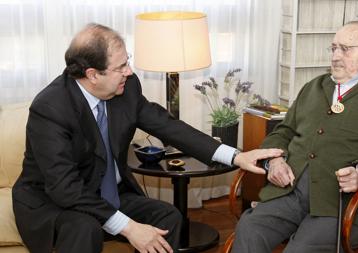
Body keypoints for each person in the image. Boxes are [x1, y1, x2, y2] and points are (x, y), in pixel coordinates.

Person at [12, 23, 283, 253]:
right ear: (92, 75)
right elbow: (65, 189)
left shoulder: (125, 88)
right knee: (86, 228)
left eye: (126, 61)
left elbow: (169, 127)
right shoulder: (50, 108)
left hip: (107, 193)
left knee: (169, 217)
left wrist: (235, 155)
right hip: (54, 203)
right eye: (121, 66)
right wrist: (129, 228)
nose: (129, 71)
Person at [231, 21, 358, 253]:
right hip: (290, 191)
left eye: (345, 49)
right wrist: (275, 160)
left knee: (300, 249)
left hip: (348, 202)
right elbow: (284, 131)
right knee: (250, 228)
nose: (335, 56)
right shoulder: (316, 86)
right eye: (333, 48)